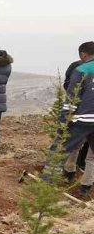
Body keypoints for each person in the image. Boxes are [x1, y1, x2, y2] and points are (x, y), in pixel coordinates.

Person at [45, 60, 94, 195]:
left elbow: (71, 99)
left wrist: (63, 122)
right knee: (91, 157)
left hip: (82, 119)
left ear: (83, 54)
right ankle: (85, 188)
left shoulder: (81, 69)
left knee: (61, 148)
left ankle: (46, 185)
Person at [61, 42, 93, 179]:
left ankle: (69, 172)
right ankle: (85, 184)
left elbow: (69, 89)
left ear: (83, 54)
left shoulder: (78, 68)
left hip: (81, 115)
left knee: (73, 145)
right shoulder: (78, 67)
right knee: (90, 155)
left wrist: (64, 119)